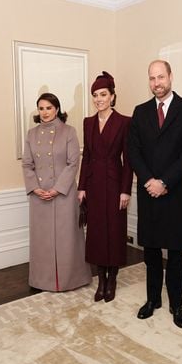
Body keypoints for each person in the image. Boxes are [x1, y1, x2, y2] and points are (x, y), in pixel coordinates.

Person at [128, 60, 182, 329]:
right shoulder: (140, 111)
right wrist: (149, 180)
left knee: (176, 253)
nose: (156, 83)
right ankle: (152, 300)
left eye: (160, 77)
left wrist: (165, 182)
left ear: (171, 76)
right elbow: (133, 151)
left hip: (176, 192)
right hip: (148, 192)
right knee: (151, 251)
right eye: (151, 78)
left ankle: (176, 305)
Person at [22, 92, 92, 292]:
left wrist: (56, 189)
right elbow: (27, 164)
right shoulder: (31, 134)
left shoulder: (69, 131)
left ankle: (73, 279)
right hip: (39, 196)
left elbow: (73, 163)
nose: (45, 112)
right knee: (42, 240)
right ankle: (42, 280)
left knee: (68, 238)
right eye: (41, 108)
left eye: (49, 108)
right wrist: (35, 188)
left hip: (64, 194)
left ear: (57, 109)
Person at [77, 71, 133, 303]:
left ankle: (113, 279)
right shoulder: (88, 122)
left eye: (103, 94)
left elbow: (128, 159)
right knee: (97, 234)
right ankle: (101, 280)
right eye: (95, 95)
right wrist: (81, 187)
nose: (98, 99)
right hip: (93, 185)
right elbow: (87, 156)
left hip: (115, 183)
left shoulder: (125, 122)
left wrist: (126, 190)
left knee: (114, 233)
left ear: (112, 96)